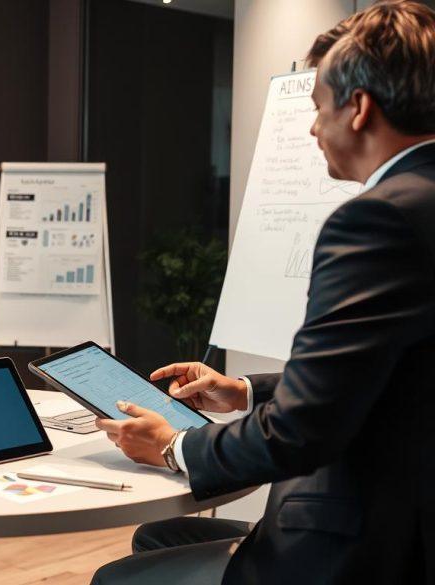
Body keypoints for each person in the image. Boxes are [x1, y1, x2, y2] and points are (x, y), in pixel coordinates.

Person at [92, 2, 435, 583]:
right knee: (161, 534)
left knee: (116, 579)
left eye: (317, 108)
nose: (311, 128)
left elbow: (302, 432)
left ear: (358, 109)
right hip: (404, 514)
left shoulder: (379, 220)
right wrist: (245, 391)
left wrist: (173, 446)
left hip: (362, 544)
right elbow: (388, 371)